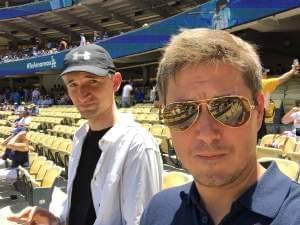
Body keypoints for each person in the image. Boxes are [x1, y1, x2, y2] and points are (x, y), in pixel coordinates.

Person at [140, 28, 300, 225]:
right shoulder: (157, 210)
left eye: (228, 107)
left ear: (258, 110)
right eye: (182, 111)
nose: (207, 134)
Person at [8, 44, 163, 225]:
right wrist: (54, 222)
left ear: (115, 82)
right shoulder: (80, 137)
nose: (82, 94)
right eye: (73, 84)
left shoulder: (137, 146)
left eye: (92, 81)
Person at [258, 62, 300, 139]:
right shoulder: (263, 83)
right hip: (258, 113)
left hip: (248, 112)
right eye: (265, 73)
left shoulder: (247, 84)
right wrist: (293, 70)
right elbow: (283, 78)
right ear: (261, 74)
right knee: (260, 137)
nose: (266, 75)